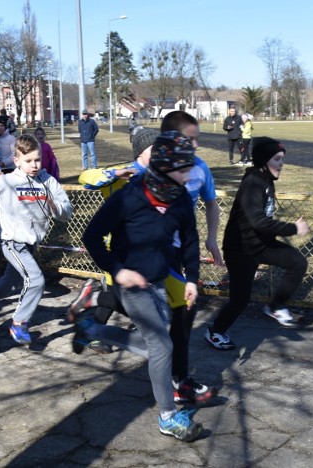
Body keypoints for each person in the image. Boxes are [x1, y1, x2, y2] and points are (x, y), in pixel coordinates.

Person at [73, 131, 204, 442]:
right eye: (184, 169)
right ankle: (169, 417)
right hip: (129, 281)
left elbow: (190, 241)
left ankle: (92, 329)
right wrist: (117, 271)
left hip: (158, 279)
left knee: (158, 346)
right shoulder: (129, 196)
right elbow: (91, 237)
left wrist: (193, 280)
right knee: (162, 346)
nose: (190, 176)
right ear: (163, 166)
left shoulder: (181, 198)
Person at [204, 137, 310, 351]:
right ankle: (215, 332)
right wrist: (293, 228)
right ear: (263, 160)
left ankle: (274, 306)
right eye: (277, 159)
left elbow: (262, 223)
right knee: (240, 300)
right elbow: (257, 221)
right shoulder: (253, 182)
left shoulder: (266, 179)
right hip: (241, 249)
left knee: (297, 262)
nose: (282, 163)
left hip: (261, 244)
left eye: (283, 159)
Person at [0, 134, 72, 345]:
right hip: (11, 241)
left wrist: (55, 206)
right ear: (16, 161)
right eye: (28, 161)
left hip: (32, 243)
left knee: (11, 281)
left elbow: (67, 212)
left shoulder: (48, 181)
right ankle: (19, 323)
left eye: (37, 160)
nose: (34, 165)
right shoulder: (5, 181)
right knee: (36, 280)